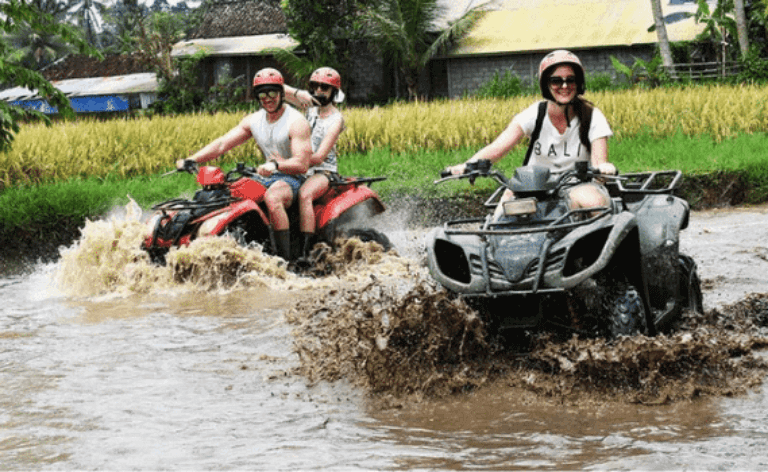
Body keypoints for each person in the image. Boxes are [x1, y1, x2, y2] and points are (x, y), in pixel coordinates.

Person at [446, 49, 616, 214]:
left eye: (570, 80)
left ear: (578, 84)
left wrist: (604, 168)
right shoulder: (535, 114)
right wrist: (467, 165)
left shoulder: (592, 116)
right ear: (546, 84)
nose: (564, 86)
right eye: (556, 81)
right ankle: (491, 238)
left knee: (594, 201)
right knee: (506, 203)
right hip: (532, 187)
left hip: (577, 185)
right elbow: (498, 147)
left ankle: (598, 242)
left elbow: (599, 163)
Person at [175, 67, 312, 260]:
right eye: (262, 94)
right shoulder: (254, 120)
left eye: (272, 92)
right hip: (264, 175)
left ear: (282, 93)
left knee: (273, 198)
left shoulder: (296, 121)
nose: (268, 98)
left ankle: (285, 260)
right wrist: (192, 159)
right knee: (227, 195)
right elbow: (223, 143)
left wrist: (276, 166)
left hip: (293, 178)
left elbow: (302, 164)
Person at [282, 67, 346, 262]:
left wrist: (286, 163)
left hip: (322, 172)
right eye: (315, 86)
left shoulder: (336, 120)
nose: (319, 91)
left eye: (324, 87)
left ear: (334, 92)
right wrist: (298, 93)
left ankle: (307, 250)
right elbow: (278, 89)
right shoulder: (309, 110)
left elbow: (318, 157)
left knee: (305, 194)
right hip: (299, 168)